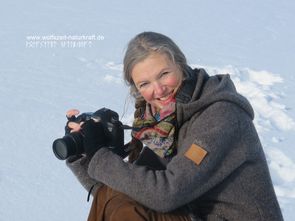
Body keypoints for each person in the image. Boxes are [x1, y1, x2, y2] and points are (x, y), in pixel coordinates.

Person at [65, 32, 283, 221]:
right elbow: (125, 190)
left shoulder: (221, 115)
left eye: (163, 74)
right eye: (145, 84)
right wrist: (84, 153)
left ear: (180, 64)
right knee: (115, 201)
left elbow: (166, 194)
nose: (158, 90)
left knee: (127, 208)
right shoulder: (159, 121)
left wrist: (100, 157)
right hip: (192, 213)